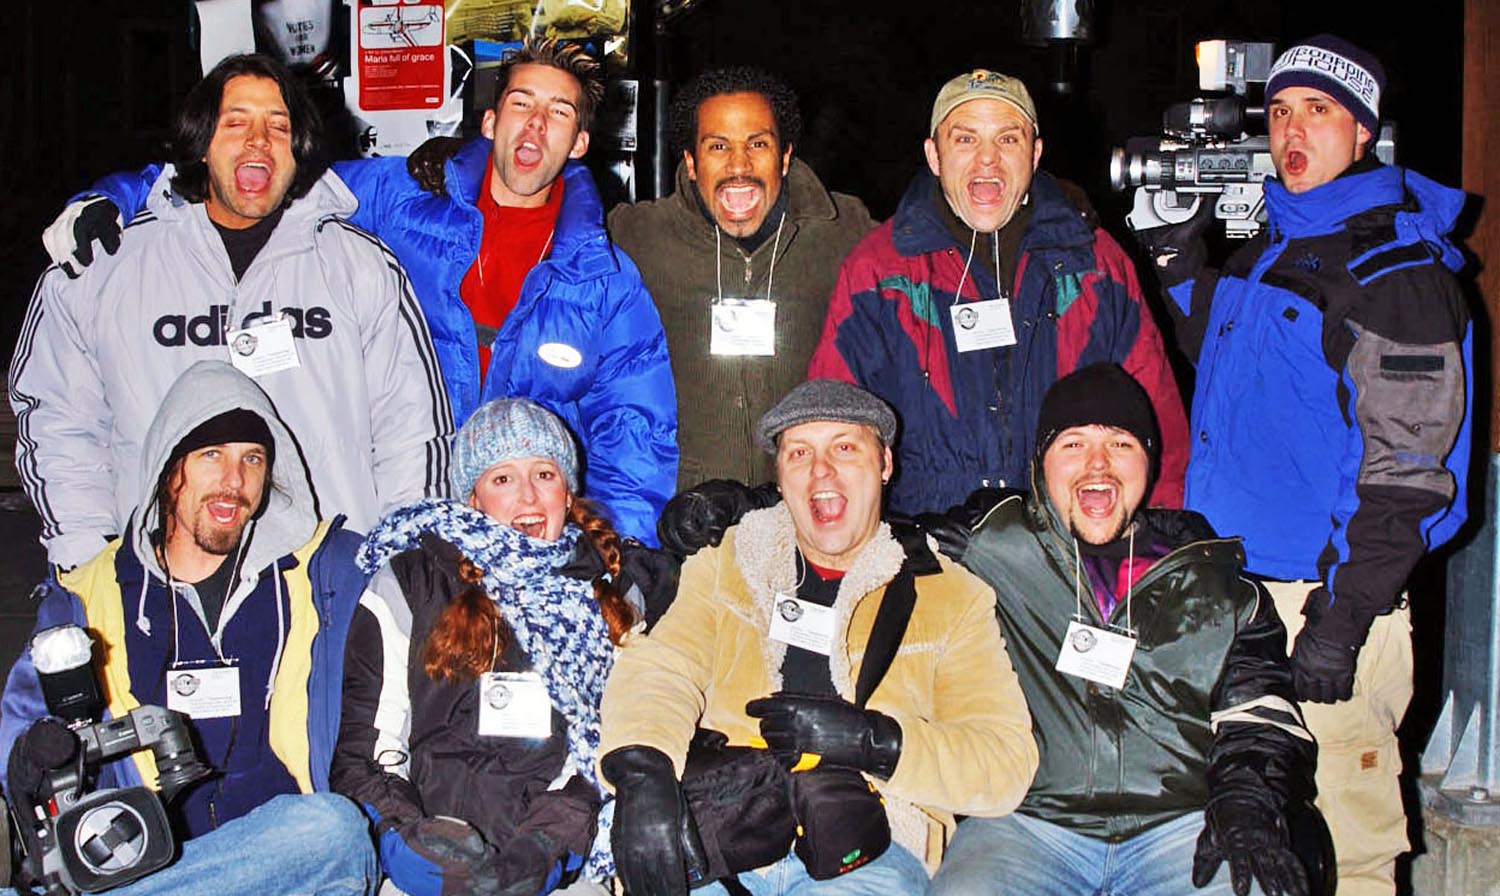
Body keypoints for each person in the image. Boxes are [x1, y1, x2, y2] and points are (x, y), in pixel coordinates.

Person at [1133, 35, 1473, 896]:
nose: (1293, 132)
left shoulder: (1397, 272)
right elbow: (1222, 348)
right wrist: (1177, 256)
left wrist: (1341, 618)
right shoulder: (1274, 248)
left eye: (1318, 113)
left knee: (1345, 835)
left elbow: (1408, 477)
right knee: (1242, 816)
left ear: (1363, 132)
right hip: (1234, 597)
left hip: (1326, 601)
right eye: (1280, 113)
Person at [39, 39, 676, 546]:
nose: (536, 124)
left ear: (581, 141)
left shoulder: (606, 282)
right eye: (521, 104)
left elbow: (635, 435)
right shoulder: (401, 200)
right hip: (411, 515)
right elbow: (255, 176)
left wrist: (614, 553)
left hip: (531, 530)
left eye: (559, 111)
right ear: (490, 120)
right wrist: (114, 199)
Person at [598, 379, 1037, 896]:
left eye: (845, 449)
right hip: (729, 836)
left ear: (885, 464)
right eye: (798, 453)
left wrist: (875, 742)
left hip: (874, 850)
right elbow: (660, 669)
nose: (820, 471)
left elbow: (1003, 763)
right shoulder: (726, 565)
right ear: (778, 474)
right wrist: (641, 772)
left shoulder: (949, 595)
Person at [915, 363, 1328, 896]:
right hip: (1028, 824)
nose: (1096, 464)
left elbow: (1263, 711)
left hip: (1180, 830)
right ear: (1040, 463)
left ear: (1150, 463)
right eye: (1072, 443)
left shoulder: (1219, 587)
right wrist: (743, 512)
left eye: (1120, 444)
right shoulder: (992, 543)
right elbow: (859, 535)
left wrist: (1248, 797)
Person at [0, 360, 377, 896]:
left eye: (253, 457)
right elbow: (18, 739)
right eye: (211, 454)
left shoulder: (324, 574)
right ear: (166, 466)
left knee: (333, 830)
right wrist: (33, 757)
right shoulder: (89, 593)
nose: (235, 479)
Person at [13, 52, 452, 571]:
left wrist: (400, 569)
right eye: (235, 121)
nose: (258, 140)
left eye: (278, 125)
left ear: (299, 150)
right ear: (200, 145)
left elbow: (412, 431)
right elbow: (59, 422)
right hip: (156, 587)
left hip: (325, 587)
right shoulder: (106, 269)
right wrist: (90, 562)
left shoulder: (359, 267)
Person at [330, 397, 670, 896]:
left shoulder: (611, 591)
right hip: (418, 869)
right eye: (503, 479)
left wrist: (550, 843)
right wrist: (412, 840)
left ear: (569, 493)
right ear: (472, 499)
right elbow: (360, 758)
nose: (529, 499)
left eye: (544, 475)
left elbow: (624, 738)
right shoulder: (410, 581)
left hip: (555, 866)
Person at [809, 69, 1189, 516]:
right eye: (965, 139)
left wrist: (1156, 541)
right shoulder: (877, 269)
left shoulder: (1097, 264)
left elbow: (1157, 422)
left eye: (1008, 140)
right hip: (926, 545)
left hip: (1065, 544)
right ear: (934, 154)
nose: (987, 160)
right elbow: (829, 434)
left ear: (1035, 153)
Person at [606, 67, 876, 489]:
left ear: (785, 157)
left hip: (805, 511)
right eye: (718, 146)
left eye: (758, 144)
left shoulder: (845, 232)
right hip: (682, 516)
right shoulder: (635, 237)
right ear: (691, 163)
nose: (739, 165)